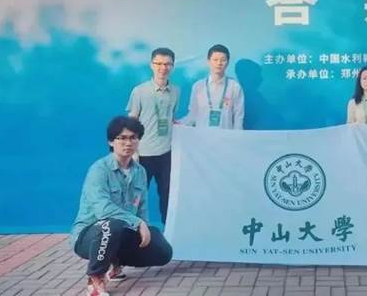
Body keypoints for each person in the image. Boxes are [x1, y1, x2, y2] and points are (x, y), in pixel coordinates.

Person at [71, 116, 172, 296]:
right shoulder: (99, 170)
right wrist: (137, 223)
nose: (128, 143)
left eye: (133, 137)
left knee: (162, 250)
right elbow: (103, 210)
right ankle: (95, 278)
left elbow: (141, 208)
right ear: (111, 141)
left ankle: (116, 261)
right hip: (90, 235)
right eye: (122, 138)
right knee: (112, 224)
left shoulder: (140, 171)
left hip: (121, 232)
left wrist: (144, 227)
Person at [126, 47, 179, 224]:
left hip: (167, 153)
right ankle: (132, 230)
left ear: (172, 66)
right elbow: (131, 123)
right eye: (159, 63)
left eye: (167, 64)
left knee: (168, 194)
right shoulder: (139, 91)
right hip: (143, 154)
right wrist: (133, 153)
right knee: (137, 195)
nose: (163, 68)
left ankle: (169, 229)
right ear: (151, 65)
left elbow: (172, 118)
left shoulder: (176, 91)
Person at [183, 44, 244, 129]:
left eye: (223, 60)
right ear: (208, 61)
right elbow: (192, 115)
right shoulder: (198, 86)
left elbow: (238, 118)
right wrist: (178, 124)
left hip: (225, 136)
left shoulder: (235, 87)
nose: (219, 63)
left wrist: (237, 136)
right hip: (202, 136)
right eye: (215, 60)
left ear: (228, 62)